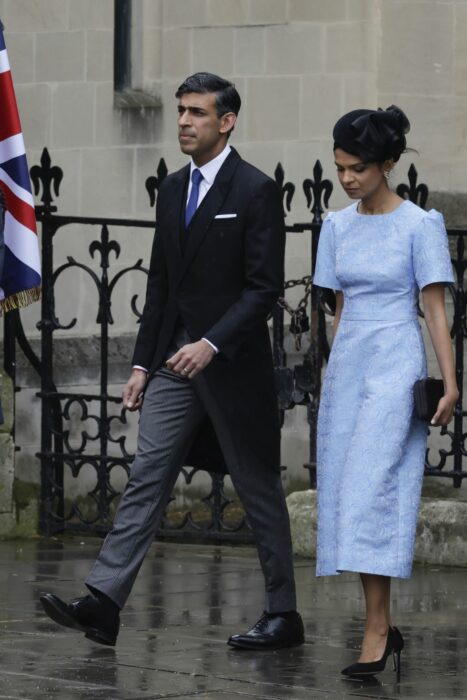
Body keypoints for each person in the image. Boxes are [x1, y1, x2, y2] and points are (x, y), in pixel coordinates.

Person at [40, 72, 304, 650]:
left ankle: (283, 614)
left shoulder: (256, 190)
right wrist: (140, 365)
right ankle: (104, 603)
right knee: (146, 476)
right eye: (180, 111)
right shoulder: (171, 188)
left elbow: (262, 290)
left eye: (196, 113)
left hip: (231, 366)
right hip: (172, 366)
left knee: (257, 489)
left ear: (226, 121)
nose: (183, 121)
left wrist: (209, 343)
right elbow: (161, 285)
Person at [313, 106, 457, 678]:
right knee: (350, 494)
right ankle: (380, 624)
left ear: (388, 164)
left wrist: (450, 381)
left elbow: (433, 308)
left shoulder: (420, 225)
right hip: (349, 366)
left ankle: (377, 629)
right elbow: (339, 308)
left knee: (376, 486)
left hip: (397, 362)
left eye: (359, 168)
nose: (348, 178)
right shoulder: (336, 226)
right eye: (340, 167)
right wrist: (332, 372)